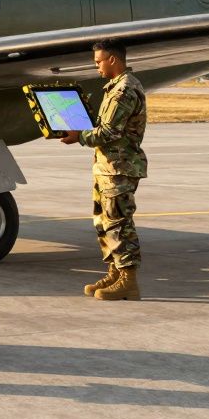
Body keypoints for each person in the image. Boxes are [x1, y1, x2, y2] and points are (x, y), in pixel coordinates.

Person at [59, 38, 147, 301]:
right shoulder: (115, 87)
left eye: (98, 61)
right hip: (108, 166)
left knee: (119, 223)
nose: (95, 66)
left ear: (113, 60)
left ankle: (129, 282)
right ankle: (115, 274)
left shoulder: (124, 90)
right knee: (105, 222)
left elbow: (109, 131)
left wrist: (79, 136)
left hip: (120, 167)